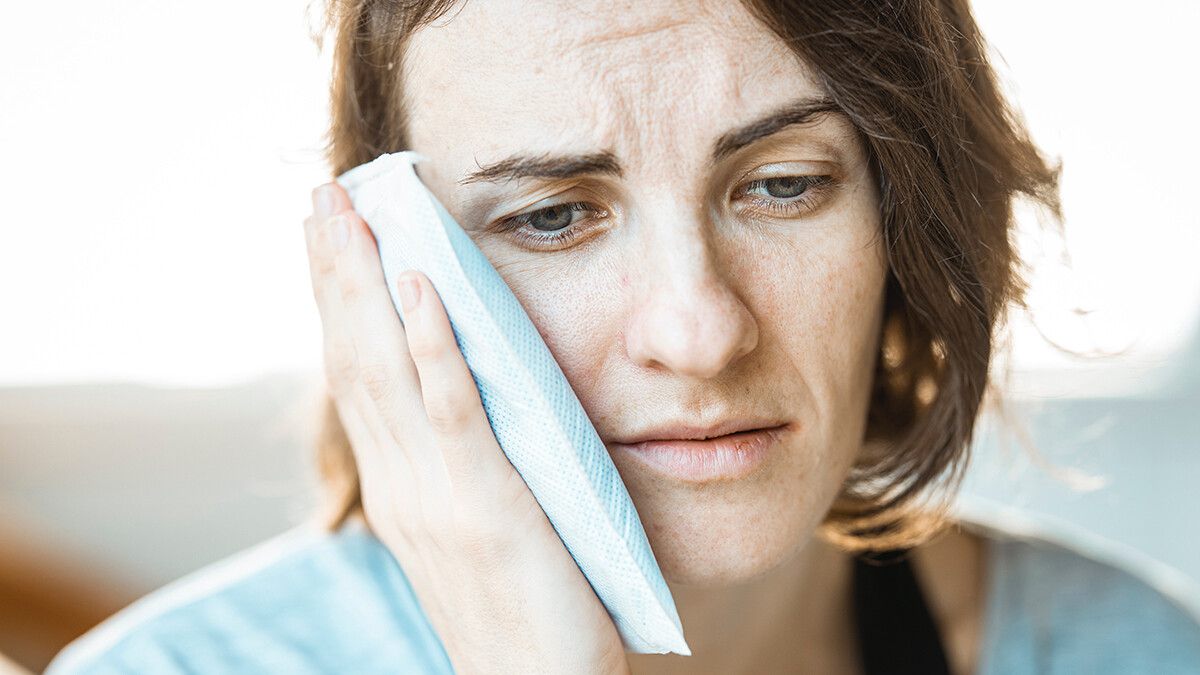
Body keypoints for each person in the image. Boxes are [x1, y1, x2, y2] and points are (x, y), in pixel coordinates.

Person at [46, 0, 1200, 673]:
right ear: (390, 272)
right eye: (553, 216)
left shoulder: (1124, 651)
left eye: (786, 186)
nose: (699, 331)